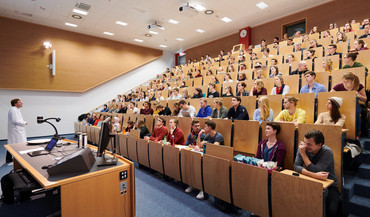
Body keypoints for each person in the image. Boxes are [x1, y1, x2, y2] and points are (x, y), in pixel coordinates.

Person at [294, 130, 340, 217]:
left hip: (329, 185)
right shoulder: (303, 148)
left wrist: (303, 154)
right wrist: (315, 175)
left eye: (309, 144)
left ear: (319, 145)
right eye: (305, 143)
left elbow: (316, 169)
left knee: (331, 210)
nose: (306, 146)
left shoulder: (327, 152)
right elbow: (296, 166)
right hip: (309, 180)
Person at [331, 72, 367, 136]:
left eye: (347, 82)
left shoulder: (359, 86)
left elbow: (365, 99)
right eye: (343, 81)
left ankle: (356, 132)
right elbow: (329, 95)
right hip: (343, 105)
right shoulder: (339, 86)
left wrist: (358, 95)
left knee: (356, 111)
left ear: (353, 81)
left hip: (355, 106)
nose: (344, 83)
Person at [7, 98, 28, 162]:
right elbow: (15, 120)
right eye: (19, 102)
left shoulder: (16, 109)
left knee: (13, 144)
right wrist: (24, 123)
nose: (21, 103)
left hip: (17, 129)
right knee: (15, 144)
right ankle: (15, 159)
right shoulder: (14, 110)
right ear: (15, 104)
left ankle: (9, 158)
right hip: (16, 130)